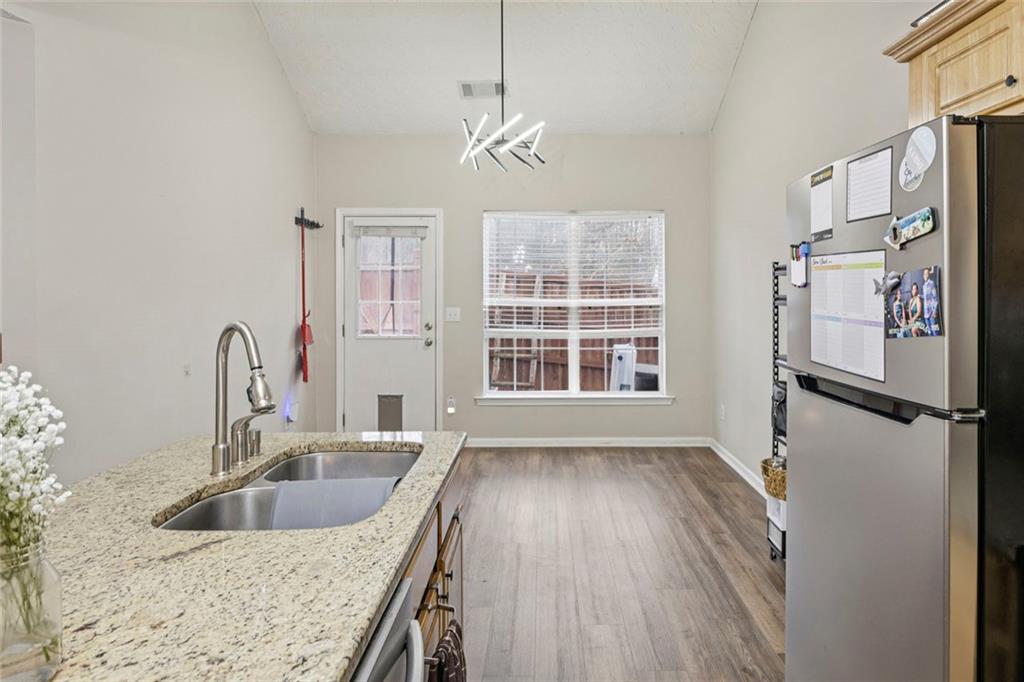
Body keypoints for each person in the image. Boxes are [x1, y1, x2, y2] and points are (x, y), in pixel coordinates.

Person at [922, 267, 939, 336]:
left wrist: (935, 311)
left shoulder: (931, 283)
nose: (926, 275)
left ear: (929, 274)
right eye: (924, 274)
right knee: (930, 333)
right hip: (926, 314)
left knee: (935, 333)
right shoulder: (924, 286)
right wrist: (920, 296)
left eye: (927, 273)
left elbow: (935, 298)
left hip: (931, 313)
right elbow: (926, 297)